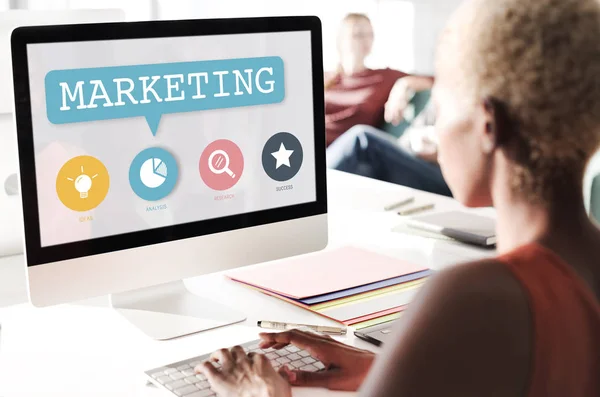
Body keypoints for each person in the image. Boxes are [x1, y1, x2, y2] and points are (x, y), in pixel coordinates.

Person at [195, 0, 600, 395]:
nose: (437, 130)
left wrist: (258, 392)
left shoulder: (475, 296)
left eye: (440, 108)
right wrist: (390, 370)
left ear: (487, 125)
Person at [323, 13, 434, 146]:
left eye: (370, 35)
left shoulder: (382, 78)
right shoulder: (324, 78)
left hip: (351, 149)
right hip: (312, 148)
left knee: (361, 135)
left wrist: (403, 84)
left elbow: (433, 80)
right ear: (341, 41)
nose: (366, 40)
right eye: (358, 35)